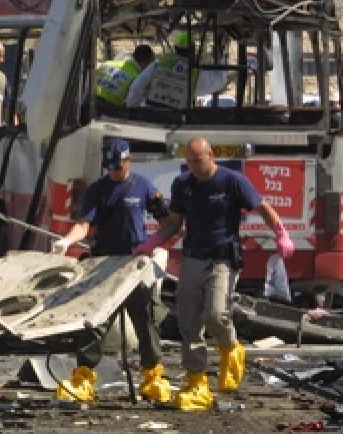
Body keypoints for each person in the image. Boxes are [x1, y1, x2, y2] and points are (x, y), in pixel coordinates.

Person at [133, 138, 294, 411]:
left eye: (199, 161)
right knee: (189, 322)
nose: (195, 167)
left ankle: (231, 346)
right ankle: (196, 381)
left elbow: (262, 207)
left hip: (222, 259)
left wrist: (280, 233)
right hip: (193, 257)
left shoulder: (231, 181)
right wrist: (153, 242)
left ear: (211, 155)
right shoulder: (183, 184)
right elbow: (174, 221)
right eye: (190, 162)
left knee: (215, 314)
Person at [50, 138, 172, 404]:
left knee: (146, 320)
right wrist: (67, 240)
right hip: (104, 264)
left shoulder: (142, 186)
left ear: (128, 161)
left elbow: (167, 221)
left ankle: (153, 377)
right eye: (110, 168)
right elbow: (84, 224)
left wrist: (158, 243)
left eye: (118, 167)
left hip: (134, 264)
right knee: (95, 321)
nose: (114, 172)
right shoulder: (97, 190)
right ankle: (82, 377)